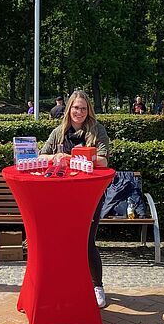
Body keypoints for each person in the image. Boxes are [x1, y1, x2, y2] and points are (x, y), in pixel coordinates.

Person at [39, 90, 110, 308]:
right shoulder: (58, 132)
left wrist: (72, 157)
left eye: (83, 108)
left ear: (89, 110)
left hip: (90, 194)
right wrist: (56, 156)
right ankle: (66, 285)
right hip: (61, 196)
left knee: (87, 242)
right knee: (62, 241)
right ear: (68, 109)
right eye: (75, 107)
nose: (79, 112)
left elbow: (104, 161)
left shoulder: (97, 130)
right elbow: (41, 156)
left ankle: (97, 286)